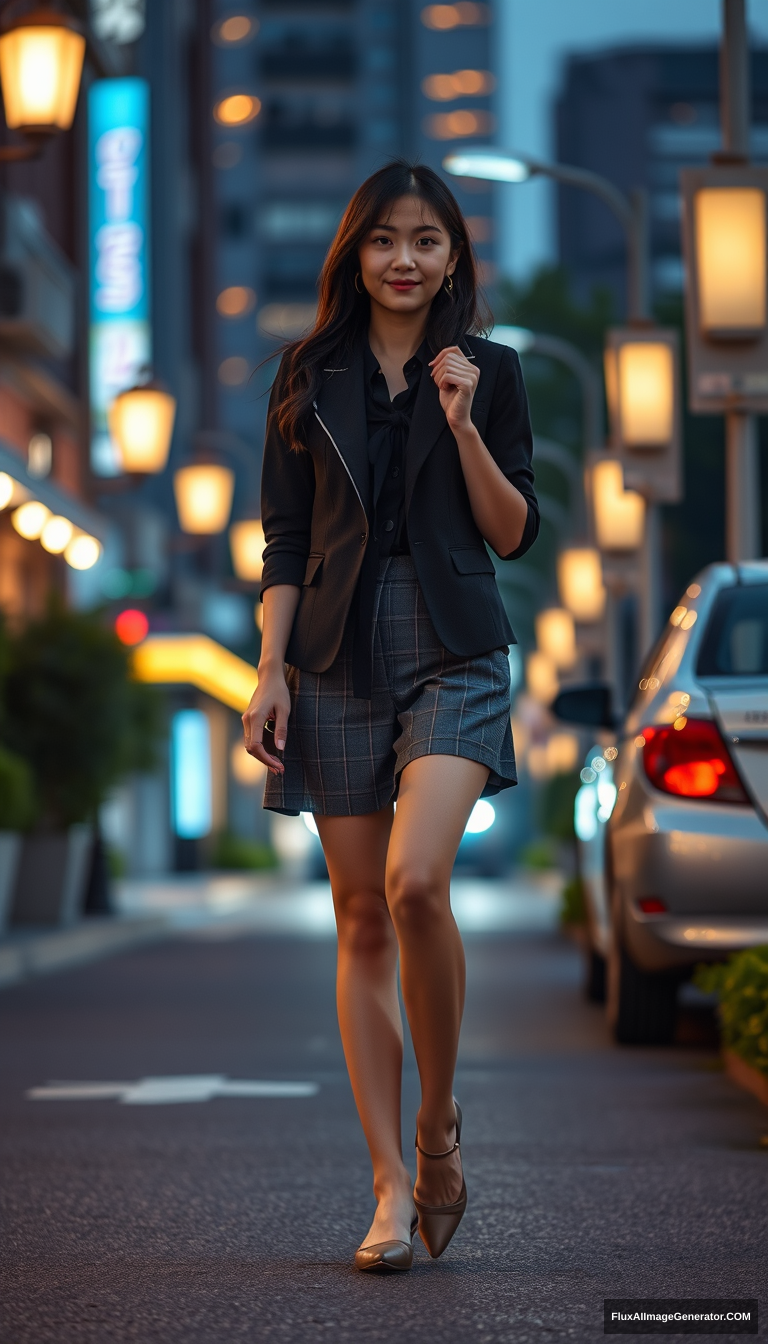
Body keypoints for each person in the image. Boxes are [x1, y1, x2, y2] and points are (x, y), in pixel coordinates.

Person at [242, 161, 538, 1273]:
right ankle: (384, 1192)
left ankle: (437, 1129)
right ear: (353, 254)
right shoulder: (304, 375)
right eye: (383, 240)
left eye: (425, 240)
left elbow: (512, 533)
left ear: (454, 257)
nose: (403, 260)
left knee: (419, 883)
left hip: (454, 650)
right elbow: (282, 540)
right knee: (360, 915)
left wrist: (461, 427)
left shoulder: (491, 373)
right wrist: (267, 670)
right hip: (331, 656)